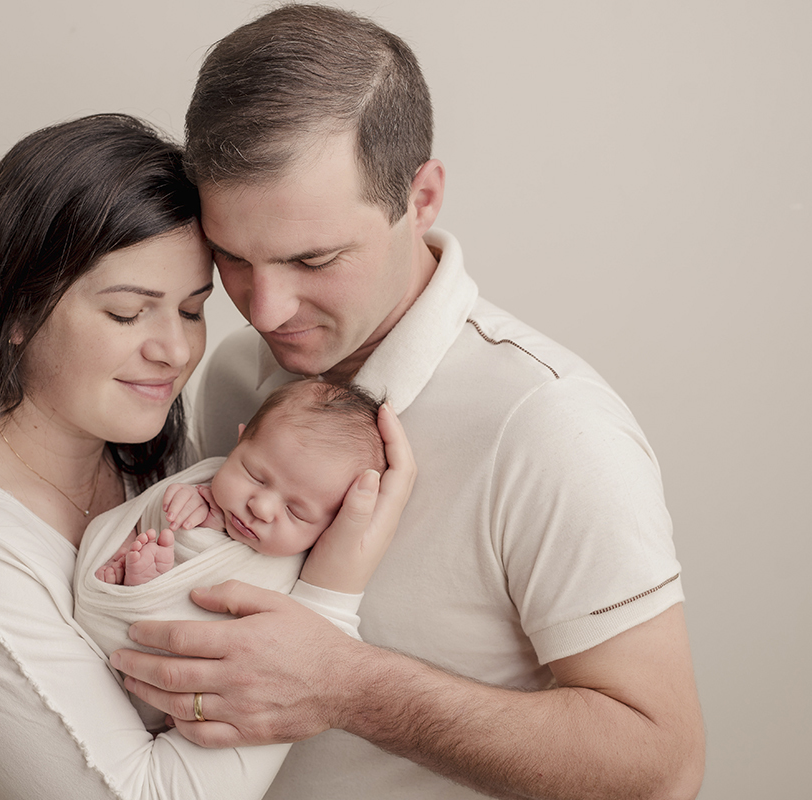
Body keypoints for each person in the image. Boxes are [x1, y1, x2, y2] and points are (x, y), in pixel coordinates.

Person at [109, 6, 706, 800]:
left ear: (421, 197)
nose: (265, 308)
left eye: (313, 258)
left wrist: (350, 686)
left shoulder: (552, 427)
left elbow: (664, 768)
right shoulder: (231, 374)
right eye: (232, 258)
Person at [0, 113, 415, 800]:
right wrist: (330, 601)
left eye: (191, 310)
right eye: (127, 313)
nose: (174, 352)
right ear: (17, 311)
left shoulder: (155, 468)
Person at [74, 380, 388, 729]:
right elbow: (145, 516)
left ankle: (145, 587)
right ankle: (139, 583)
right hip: (102, 656)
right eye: (254, 476)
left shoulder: (297, 567)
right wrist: (185, 511)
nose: (262, 507)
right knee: (159, 537)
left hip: (190, 685)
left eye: (297, 512)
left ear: (332, 525)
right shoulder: (206, 487)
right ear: (238, 442)